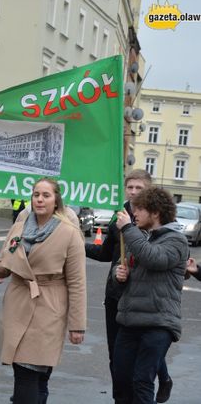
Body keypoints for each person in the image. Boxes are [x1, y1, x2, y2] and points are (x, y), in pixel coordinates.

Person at [0, 177, 86, 404]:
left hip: (48, 307)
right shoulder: (19, 227)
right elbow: (6, 266)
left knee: (28, 372)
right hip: (17, 305)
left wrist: (77, 325)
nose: (39, 199)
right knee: (24, 371)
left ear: (56, 200)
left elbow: (77, 282)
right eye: (36, 194)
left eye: (46, 195)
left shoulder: (69, 233)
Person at [85, 169, 173, 402]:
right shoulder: (119, 215)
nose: (133, 193)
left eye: (139, 188)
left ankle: (162, 378)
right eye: (130, 187)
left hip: (145, 303)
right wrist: (77, 244)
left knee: (143, 364)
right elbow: (106, 253)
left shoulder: (155, 222)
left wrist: (129, 228)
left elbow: (157, 258)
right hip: (116, 296)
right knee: (118, 359)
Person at [113, 187, 188, 404]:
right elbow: (121, 267)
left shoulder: (176, 241)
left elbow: (154, 259)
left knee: (142, 381)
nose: (134, 213)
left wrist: (127, 228)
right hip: (129, 322)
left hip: (158, 323)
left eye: (140, 209)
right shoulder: (139, 237)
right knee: (122, 380)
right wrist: (118, 275)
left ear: (155, 213)